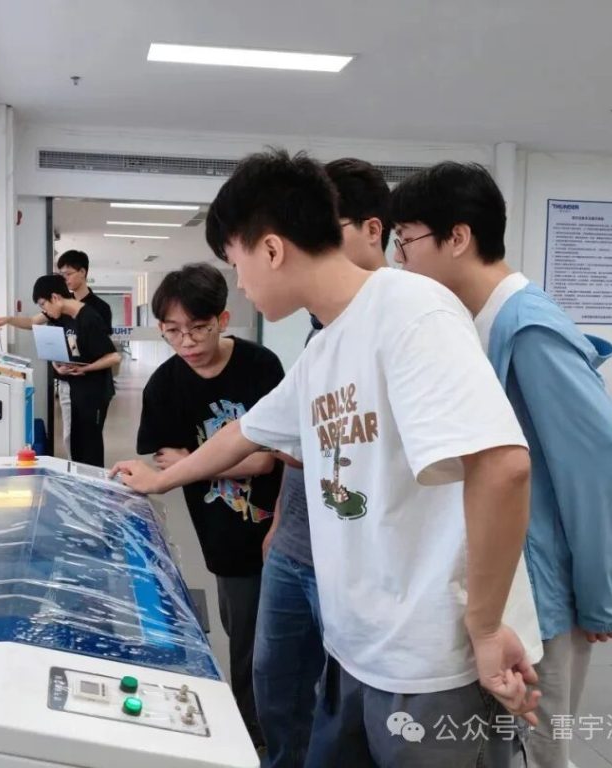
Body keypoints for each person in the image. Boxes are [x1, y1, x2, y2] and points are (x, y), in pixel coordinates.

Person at [112, 149, 541, 767]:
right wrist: (160, 479)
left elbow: (503, 466)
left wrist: (485, 626)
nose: (241, 283)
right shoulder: (324, 347)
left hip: (429, 661)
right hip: (357, 646)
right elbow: (245, 433)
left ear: (271, 249)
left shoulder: (411, 310)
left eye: (236, 262)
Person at [391, 162, 612, 768]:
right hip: (508, 583)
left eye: (406, 241)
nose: (400, 260)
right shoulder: (479, 322)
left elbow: (603, 464)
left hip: (544, 597)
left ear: (457, 238)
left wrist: (599, 597)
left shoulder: (528, 328)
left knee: (541, 751)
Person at [253, 156, 391, 768]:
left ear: (372, 230)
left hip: (358, 561)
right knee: (277, 684)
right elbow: (292, 435)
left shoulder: (408, 318)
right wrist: (282, 520)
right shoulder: (321, 333)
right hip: (296, 545)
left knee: (348, 713)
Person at [137, 262, 284, 749]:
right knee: (239, 632)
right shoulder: (164, 387)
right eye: (172, 331)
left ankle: (261, 738)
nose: (187, 342)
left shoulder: (261, 367)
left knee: (265, 643)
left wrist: (194, 462)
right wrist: (204, 465)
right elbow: (167, 463)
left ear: (223, 319)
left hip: (276, 523)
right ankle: (255, 732)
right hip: (220, 533)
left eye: (199, 328)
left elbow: (266, 460)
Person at [0, 250, 112, 456]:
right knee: (72, 437)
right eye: (62, 274)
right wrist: (8, 320)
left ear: (83, 272)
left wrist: (85, 367)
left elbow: (104, 350)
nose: (65, 279)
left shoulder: (96, 309)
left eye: (68, 274)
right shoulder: (58, 306)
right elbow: (32, 322)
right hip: (68, 380)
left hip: (92, 383)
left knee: (90, 438)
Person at [29, 274, 119, 467]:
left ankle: (93, 483)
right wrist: (57, 364)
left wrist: (86, 368)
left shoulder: (89, 318)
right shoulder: (66, 317)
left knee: (90, 447)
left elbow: (113, 357)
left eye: (43, 304)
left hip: (94, 392)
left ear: (55, 297)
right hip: (77, 390)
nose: (44, 311)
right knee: (77, 444)